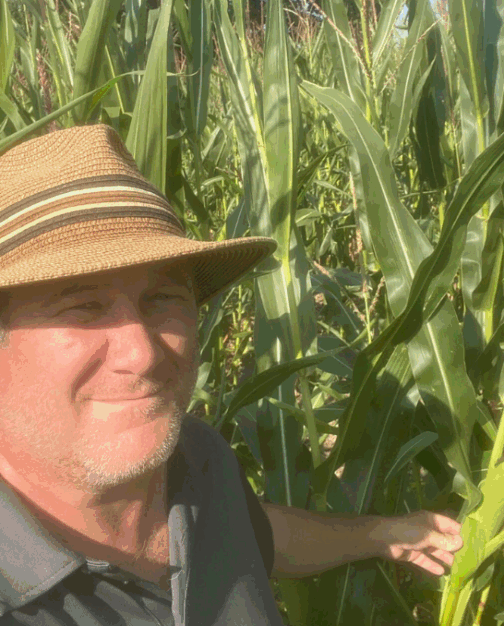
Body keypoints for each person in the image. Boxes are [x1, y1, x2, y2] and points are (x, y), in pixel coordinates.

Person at [0, 125, 463, 624]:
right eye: (84, 308)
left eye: (163, 299)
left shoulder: (200, 460)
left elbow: (252, 530)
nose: (143, 354)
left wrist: (380, 534)